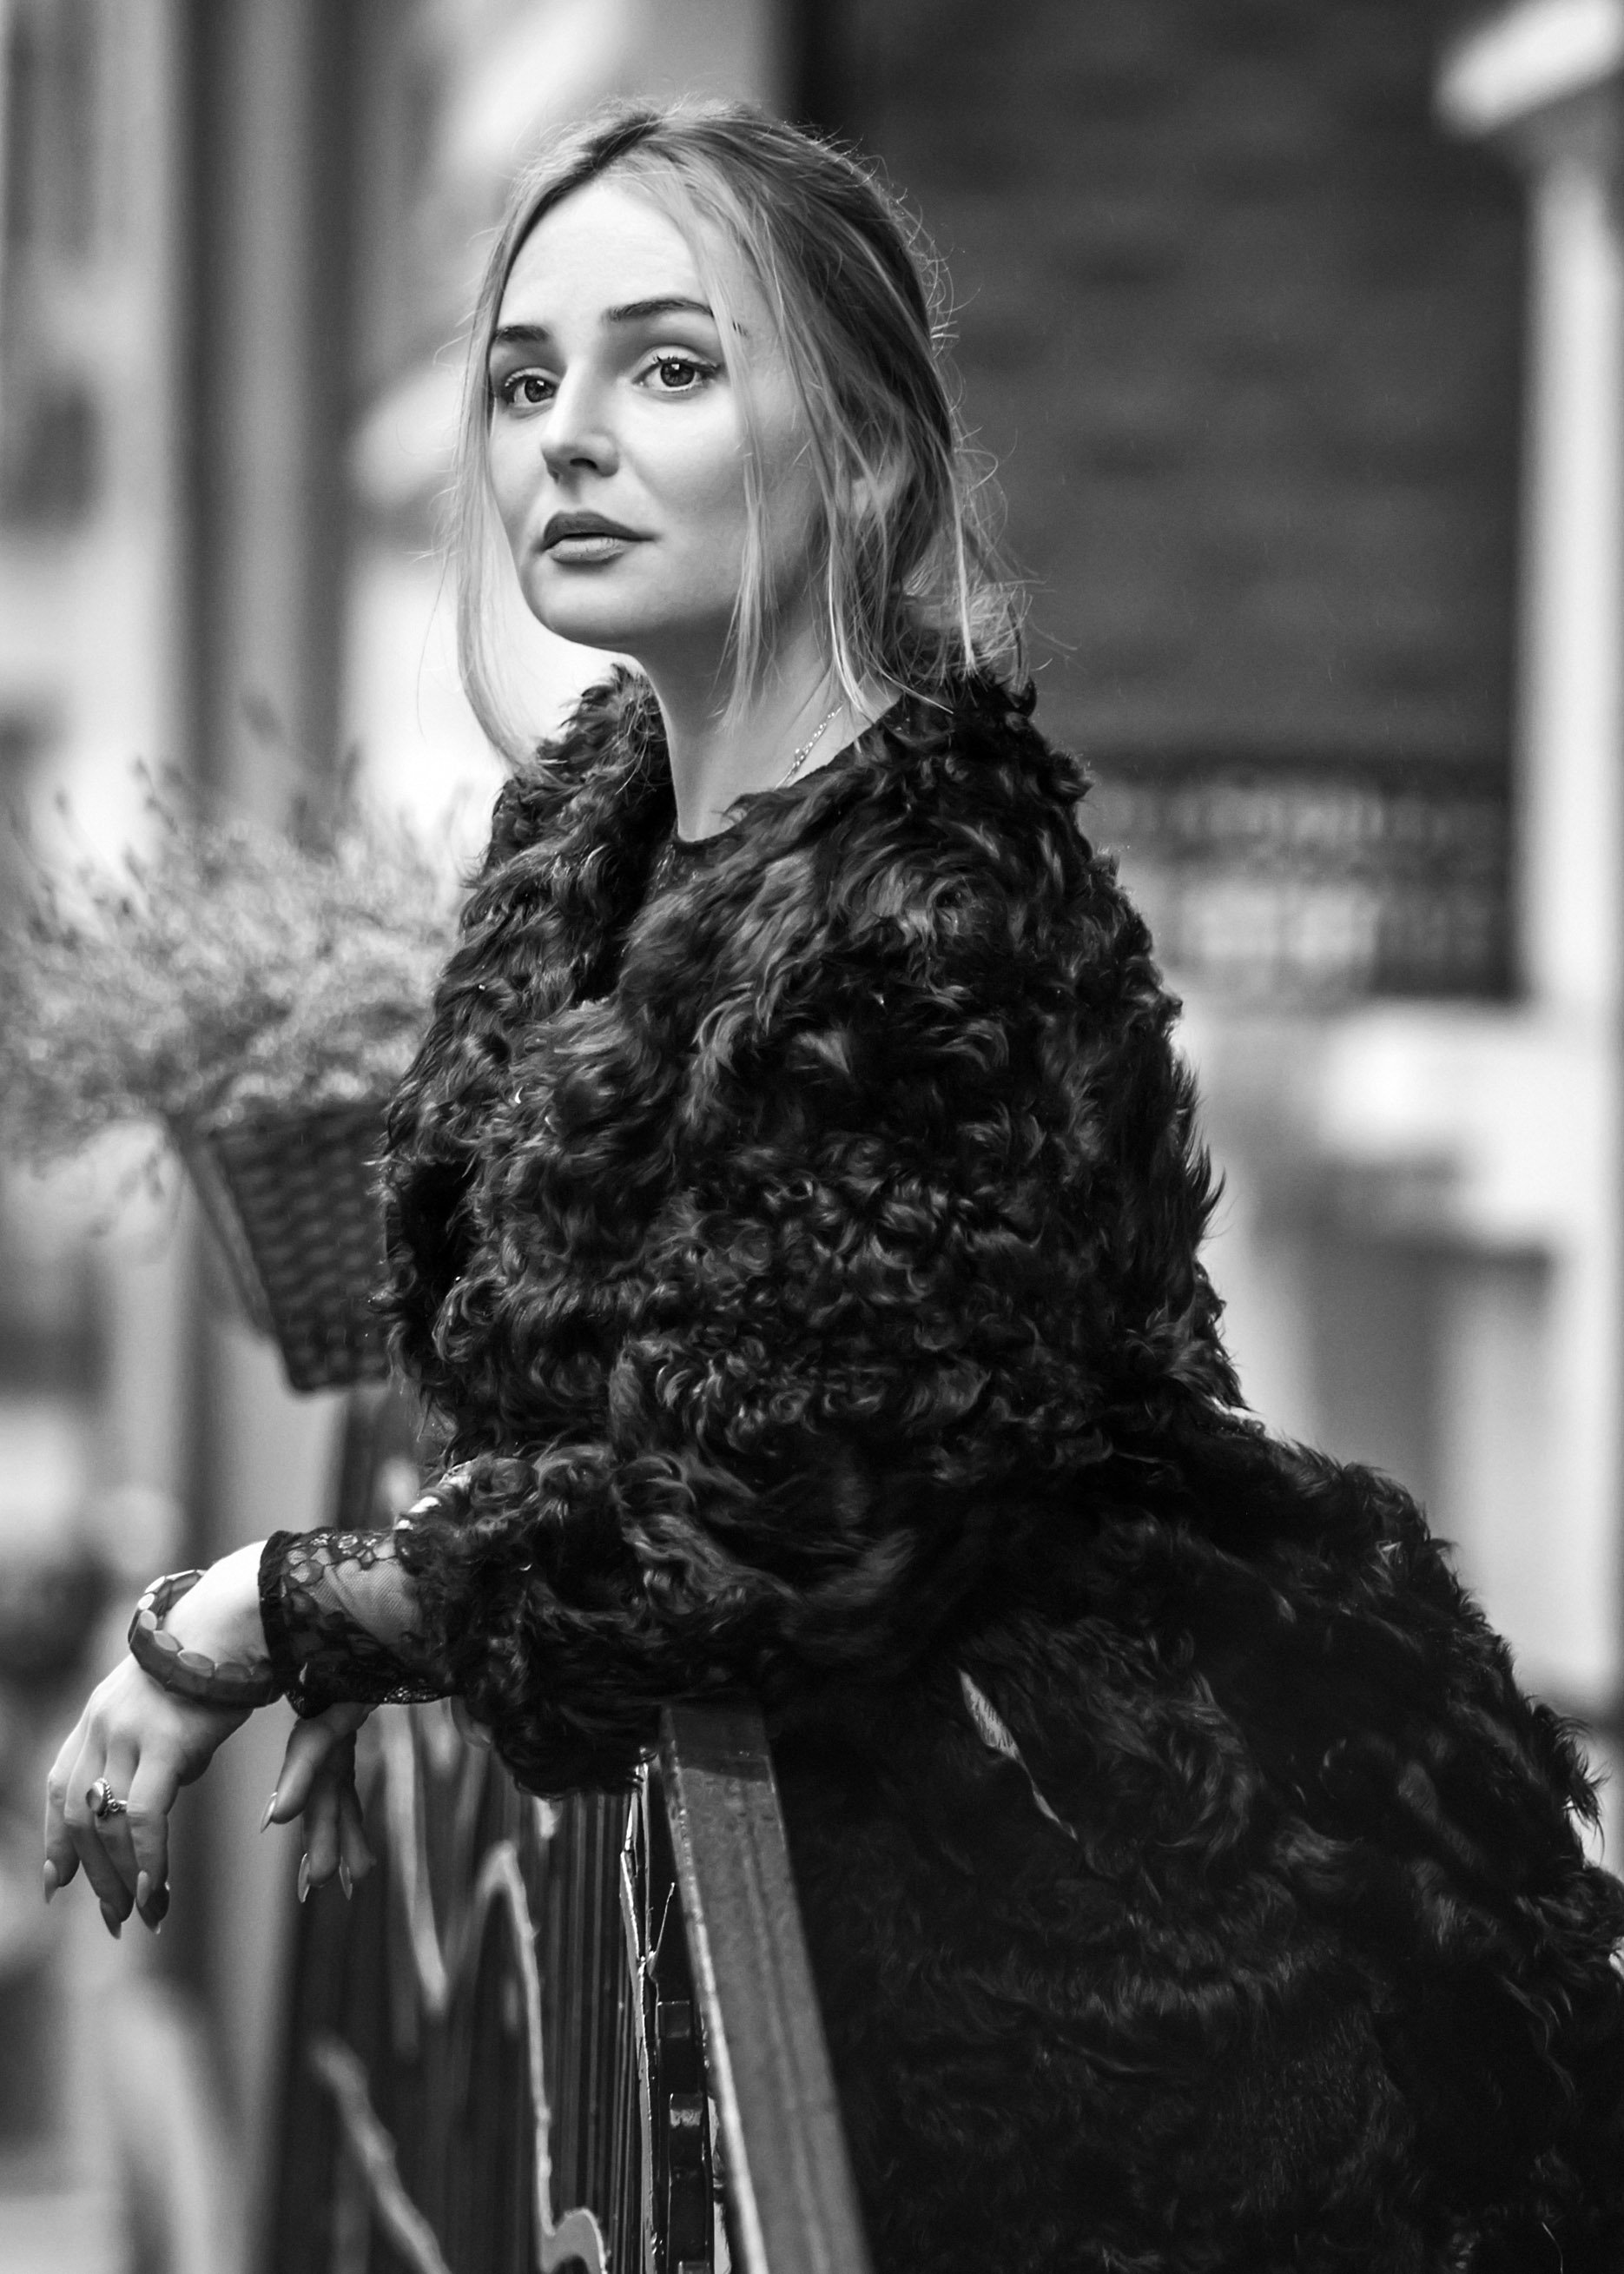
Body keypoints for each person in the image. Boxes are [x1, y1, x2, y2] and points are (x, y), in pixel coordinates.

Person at [43, 101, 1624, 2273]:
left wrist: (256, 1614)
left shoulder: (931, 898)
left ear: (864, 456)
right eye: (525, 379)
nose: (566, 436)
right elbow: (619, 1404)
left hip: (1102, 1950)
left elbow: (767, 1519)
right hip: (796, 1936)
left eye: (667, 366)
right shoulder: (596, 838)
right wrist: (421, 1614)